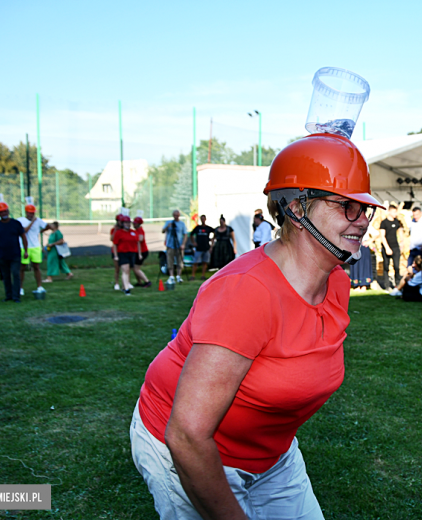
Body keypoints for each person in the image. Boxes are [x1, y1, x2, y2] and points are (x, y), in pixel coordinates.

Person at [130, 130, 383, 519]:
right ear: (297, 210)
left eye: (365, 208)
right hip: (191, 450)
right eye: (346, 206)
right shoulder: (246, 292)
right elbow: (187, 435)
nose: (362, 221)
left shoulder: (335, 281)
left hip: (273, 455)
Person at [0, 202, 28, 303]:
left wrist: (26, 250)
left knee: (15, 274)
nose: (3, 213)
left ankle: (16, 296)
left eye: (5, 211)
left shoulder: (16, 223)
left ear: (8, 211)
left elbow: (23, 237)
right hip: (2, 255)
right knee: (5, 276)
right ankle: (8, 295)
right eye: (1, 212)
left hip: (15, 254)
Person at [18, 204, 48, 295]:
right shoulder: (20, 220)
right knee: (22, 268)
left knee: (36, 267)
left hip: (35, 247)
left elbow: (47, 226)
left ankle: (39, 286)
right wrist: (32, 222)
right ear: (26, 212)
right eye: (29, 213)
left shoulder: (38, 220)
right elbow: (24, 230)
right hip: (23, 247)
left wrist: (40, 231)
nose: (31, 215)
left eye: (33, 213)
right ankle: (20, 288)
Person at [112, 216, 144, 296]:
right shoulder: (119, 233)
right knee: (125, 270)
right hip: (123, 253)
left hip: (132, 253)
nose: (128, 224)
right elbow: (115, 244)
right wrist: (116, 255)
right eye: (126, 223)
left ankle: (124, 286)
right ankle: (126, 289)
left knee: (128, 270)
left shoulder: (133, 232)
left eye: (129, 223)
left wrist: (139, 254)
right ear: (122, 224)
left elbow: (138, 243)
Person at [380, 204, 404, 293]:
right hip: (387, 247)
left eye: (396, 212)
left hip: (395, 247)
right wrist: (387, 248)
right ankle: (387, 286)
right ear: (389, 211)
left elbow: (400, 231)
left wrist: (402, 242)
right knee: (386, 267)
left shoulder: (397, 222)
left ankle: (398, 286)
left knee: (397, 267)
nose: (395, 214)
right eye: (394, 212)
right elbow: (382, 236)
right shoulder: (384, 222)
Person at [349, 223, 378, 291]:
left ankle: (364, 285)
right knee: (355, 265)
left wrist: (369, 241)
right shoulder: (350, 224)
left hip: (363, 246)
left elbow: (376, 233)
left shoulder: (365, 223)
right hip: (354, 246)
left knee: (364, 265)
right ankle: (356, 285)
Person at [161, 210, 187, 283]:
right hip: (170, 245)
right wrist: (167, 227)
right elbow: (163, 231)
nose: (176, 217)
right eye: (175, 215)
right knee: (170, 261)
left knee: (180, 261)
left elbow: (185, 234)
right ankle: (171, 276)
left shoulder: (182, 224)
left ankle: (179, 276)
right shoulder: (169, 222)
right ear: (173, 215)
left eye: (177, 215)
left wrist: (183, 244)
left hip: (179, 245)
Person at [190, 215, 214, 280]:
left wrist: (212, 239)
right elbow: (191, 234)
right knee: (195, 262)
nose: (203, 220)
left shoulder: (208, 228)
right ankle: (193, 275)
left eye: (204, 219)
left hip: (206, 247)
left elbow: (215, 232)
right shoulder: (197, 228)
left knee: (205, 262)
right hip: (199, 248)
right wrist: (193, 242)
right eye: (201, 219)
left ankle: (203, 275)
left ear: (205, 219)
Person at [132, 217, 152, 288]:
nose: (133, 224)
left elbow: (140, 239)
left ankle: (147, 281)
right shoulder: (137, 230)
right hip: (138, 251)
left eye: (135, 223)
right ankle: (139, 282)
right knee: (134, 267)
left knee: (136, 268)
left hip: (142, 252)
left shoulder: (140, 230)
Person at [111, 215, 123, 290]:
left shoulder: (125, 230)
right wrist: (115, 230)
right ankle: (117, 283)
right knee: (117, 269)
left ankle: (126, 282)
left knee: (125, 269)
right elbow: (112, 239)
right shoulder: (114, 230)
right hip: (116, 251)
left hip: (123, 251)